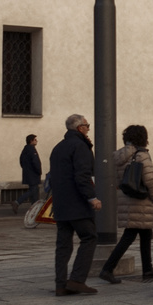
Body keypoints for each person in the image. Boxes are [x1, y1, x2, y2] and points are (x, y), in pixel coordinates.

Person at [49, 114, 101, 295]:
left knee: (63, 245)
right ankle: (77, 280)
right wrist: (91, 198)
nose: (88, 128)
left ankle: (60, 285)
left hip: (61, 204)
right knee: (89, 237)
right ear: (80, 128)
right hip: (77, 204)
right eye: (87, 125)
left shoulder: (58, 147)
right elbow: (82, 175)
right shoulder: (80, 146)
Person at [98, 124, 153, 283]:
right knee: (129, 235)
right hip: (141, 199)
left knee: (145, 234)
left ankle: (148, 269)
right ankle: (108, 268)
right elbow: (149, 179)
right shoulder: (141, 155)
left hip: (127, 198)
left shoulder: (119, 156)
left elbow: (119, 179)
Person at [12, 134, 41, 214]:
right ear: (31, 141)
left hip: (27, 173)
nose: (36, 141)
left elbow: (21, 160)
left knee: (34, 192)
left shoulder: (25, 149)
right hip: (33, 174)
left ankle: (34, 209)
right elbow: (35, 162)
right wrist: (38, 171)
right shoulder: (32, 149)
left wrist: (26, 169)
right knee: (33, 190)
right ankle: (17, 202)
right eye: (35, 140)